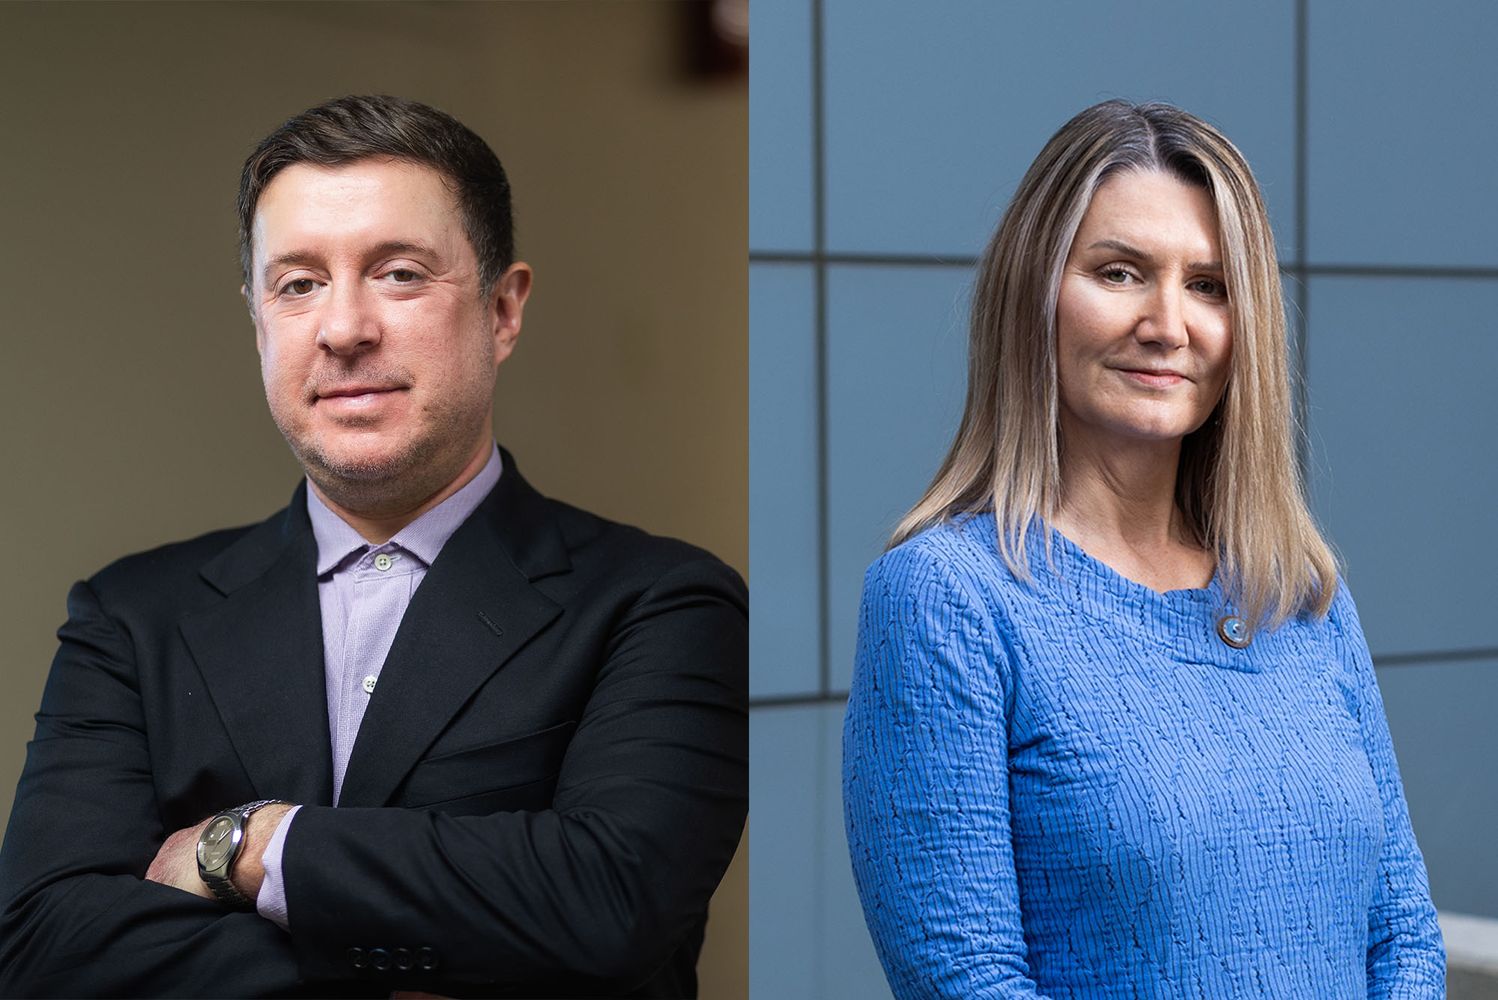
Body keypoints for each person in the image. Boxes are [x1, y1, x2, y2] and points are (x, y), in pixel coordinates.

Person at [0, 95, 747, 999]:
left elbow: (609, 900)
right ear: (258, 317)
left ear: (504, 311)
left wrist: (250, 847)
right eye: (299, 283)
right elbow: (44, 940)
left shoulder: (661, 602)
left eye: (397, 273)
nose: (344, 328)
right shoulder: (133, 615)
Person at [842, 100, 1444, 998]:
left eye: (1209, 285)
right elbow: (966, 980)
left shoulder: (1300, 593)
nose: (1169, 324)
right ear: (1035, 291)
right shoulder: (947, 600)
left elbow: (1404, 937)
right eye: (1120, 273)